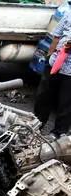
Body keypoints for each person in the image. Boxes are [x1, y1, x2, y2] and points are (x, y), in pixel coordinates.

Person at [34, 9, 71, 137]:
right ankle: (36, 125)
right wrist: (50, 55)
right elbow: (57, 35)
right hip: (55, 63)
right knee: (43, 97)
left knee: (66, 102)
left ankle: (58, 133)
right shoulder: (69, 14)